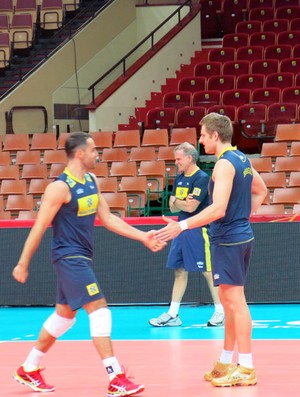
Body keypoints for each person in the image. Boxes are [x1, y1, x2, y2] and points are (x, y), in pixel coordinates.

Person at [12, 132, 165, 396]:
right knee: (100, 311)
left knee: (64, 318)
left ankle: (29, 368)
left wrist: (143, 236)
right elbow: (38, 228)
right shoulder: (59, 188)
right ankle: (115, 376)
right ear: (80, 154)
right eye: (94, 150)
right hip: (68, 257)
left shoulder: (92, 181)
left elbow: (107, 219)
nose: (98, 155)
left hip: (81, 257)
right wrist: (22, 263)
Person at [154, 113, 267, 387]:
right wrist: (245, 214)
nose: (201, 139)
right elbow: (261, 190)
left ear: (216, 135)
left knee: (236, 303)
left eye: (203, 135)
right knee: (229, 303)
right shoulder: (242, 159)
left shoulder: (224, 165)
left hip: (229, 239)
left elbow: (217, 209)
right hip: (236, 236)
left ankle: (247, 367)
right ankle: (226, 361)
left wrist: (182, 227)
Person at [149, 142, 224, 327]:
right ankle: (173, 315)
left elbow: (191, 206)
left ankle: (220, 312)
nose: (176, 162)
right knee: (179, 271)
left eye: (178, 159)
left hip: (198, 228)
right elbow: (172, 206)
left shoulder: (202, 178)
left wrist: (178, 201)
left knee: (208, 271)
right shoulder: (180, 178)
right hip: (180, 229)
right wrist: (179, 201)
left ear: (190, 158)